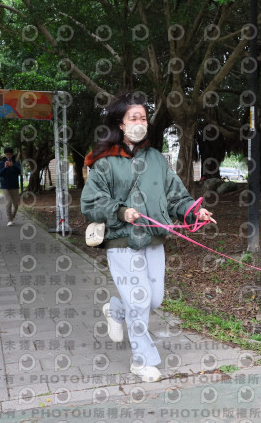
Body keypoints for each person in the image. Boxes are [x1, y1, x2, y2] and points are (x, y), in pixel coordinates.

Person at [80, 92, 216, 383]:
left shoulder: (157, 159)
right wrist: (120, 211)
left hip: (154, 238)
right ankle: (141, 361)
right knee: (140, 301)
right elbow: (90, 202)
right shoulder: (104, 161)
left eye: (143, 118)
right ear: (120, 123)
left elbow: (176, 196)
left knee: (153, 299)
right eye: (134, 118)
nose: (140, 123)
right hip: (122, 241)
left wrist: (195, 212)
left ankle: (116, 309)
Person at [0, 146, 21, 226]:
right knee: (9, 202)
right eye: (7, 154)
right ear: (5, 154)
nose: (8, 156)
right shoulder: (1, 163)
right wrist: (5, 167)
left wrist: (13, 166)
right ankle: (9, 220)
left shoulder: (16, 162)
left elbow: (19, 172)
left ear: (12, 154)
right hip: (5, 186)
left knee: (16, 205)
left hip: (14, 185)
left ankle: (12, 217)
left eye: (10, 154)